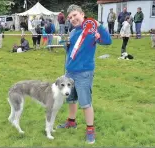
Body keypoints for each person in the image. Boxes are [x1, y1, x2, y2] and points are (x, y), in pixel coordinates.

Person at [56, 4, 112, 144]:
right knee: (71, 99)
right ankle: (71, 121)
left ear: (82, 14)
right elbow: (70, 51)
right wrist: (66, 45)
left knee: (85, 102)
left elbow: (107, 41)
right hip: (70, 71)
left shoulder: (92, 30)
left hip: (84, 73)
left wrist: (99, 27)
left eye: (75, 15)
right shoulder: (74, 31)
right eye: (70, 17)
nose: (73, 19)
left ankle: (90, 129)